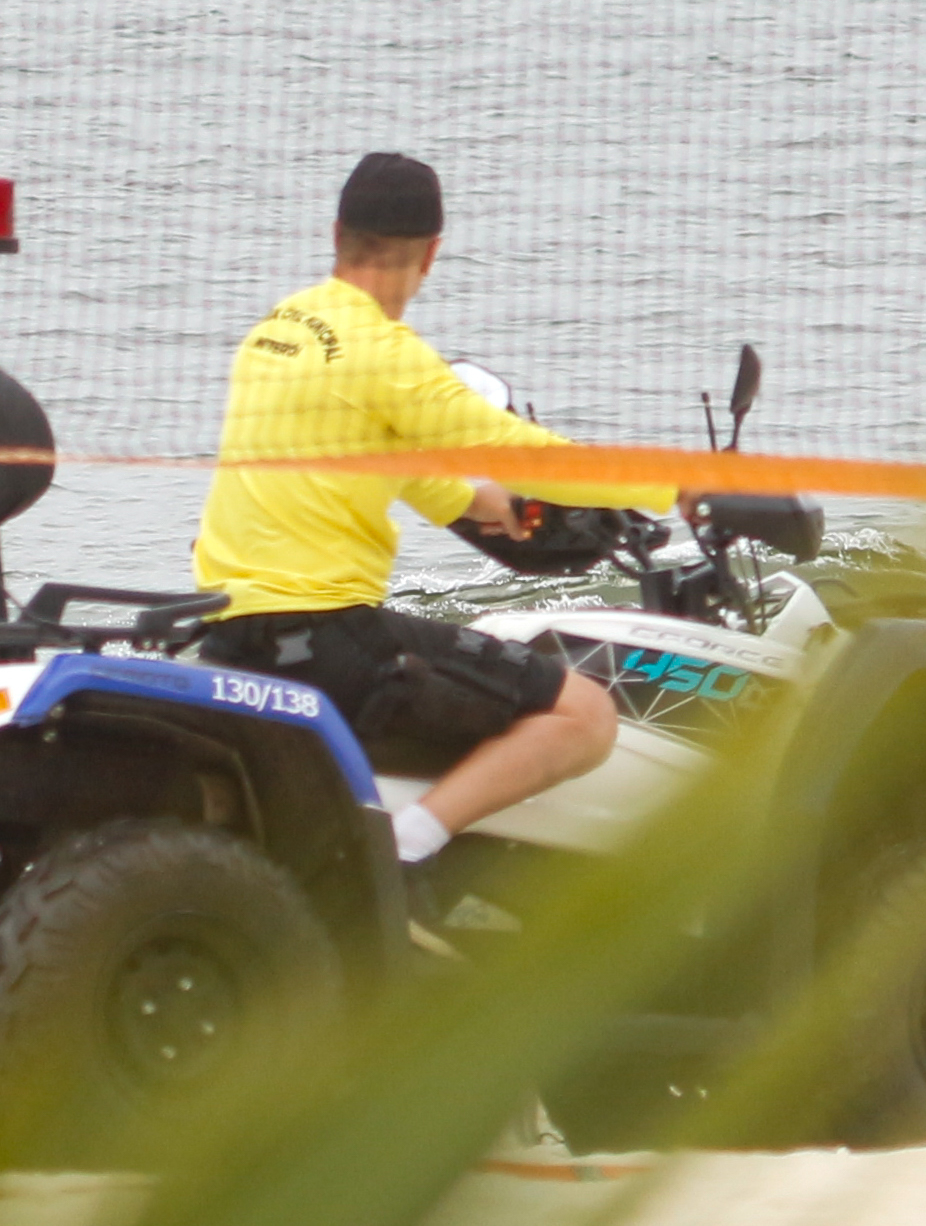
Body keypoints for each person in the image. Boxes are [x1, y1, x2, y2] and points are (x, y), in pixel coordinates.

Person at [189, 151, 670, 876]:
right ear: (432, 253)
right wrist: (685, 486)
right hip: (324, 641)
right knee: (584, 714)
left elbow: (370, 448)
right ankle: (404, 847)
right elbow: (518, 447)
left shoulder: (277, 329)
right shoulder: (385, 351)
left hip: (228, 633)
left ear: (337, 233)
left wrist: (480, 503)